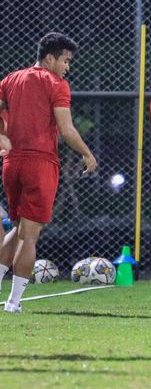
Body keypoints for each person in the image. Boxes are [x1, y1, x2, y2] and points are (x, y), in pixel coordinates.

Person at [0, 32, 98, 313]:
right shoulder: (57, 84)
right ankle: (14, 302)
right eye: (65, 60)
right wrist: (87, 154)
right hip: (40, 165)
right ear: (50, 58)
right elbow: (66, 129)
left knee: (18, 227)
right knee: (30, 236)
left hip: (11, 164)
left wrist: (3, 138)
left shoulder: (11, 79)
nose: (68, 67)